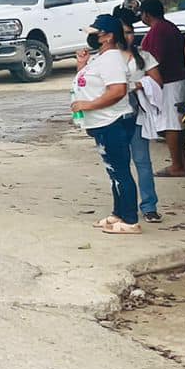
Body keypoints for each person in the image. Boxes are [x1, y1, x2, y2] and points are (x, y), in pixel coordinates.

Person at [69, 14, 142, 234]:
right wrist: (81, 66)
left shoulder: (112, 58)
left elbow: (118, 91)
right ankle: (118, 212)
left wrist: (88, 105)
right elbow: (88, 82)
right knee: (112, 171)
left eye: (94, 33)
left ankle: (130, 220)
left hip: (113, 121)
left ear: (108, 36)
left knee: (120, 170)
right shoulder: (99, 57)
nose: (90, 37)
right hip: (101, 122)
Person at [113, 6, 165, 224]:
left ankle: (149, 205)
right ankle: (123, 207)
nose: (129, 36)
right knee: (118, 164)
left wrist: (136, 85)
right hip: (114, 116)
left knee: (142, 161)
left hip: (137, 114)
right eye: (124, 32)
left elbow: (158, 80)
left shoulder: (143, 56)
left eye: (131, 31)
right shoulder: (106, 58)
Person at [138, 0, 185, 176]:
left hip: (169, 82)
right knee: (179, 123)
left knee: (171, 125)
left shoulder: (157, 31)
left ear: (146, 14)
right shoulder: (169, 27)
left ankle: (177, 164)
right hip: (180, 79)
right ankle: (184, 162)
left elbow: (154, 60)